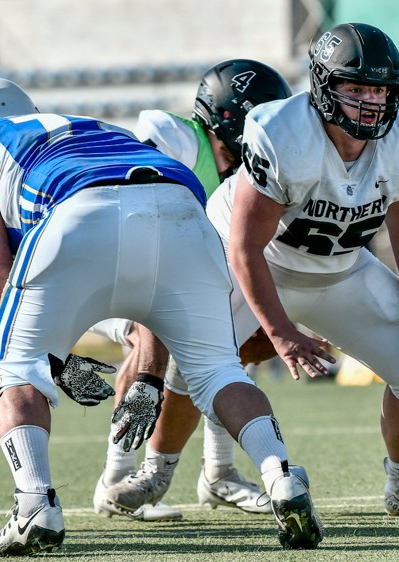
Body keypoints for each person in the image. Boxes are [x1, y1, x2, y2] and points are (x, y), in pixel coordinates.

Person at [0, 78, 322, 555]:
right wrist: (147, 375)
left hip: (79, 211)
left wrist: (54, 364)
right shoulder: (93, 128)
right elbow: (145, 240)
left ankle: (34, 506)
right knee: (219, 370)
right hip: (181, 209)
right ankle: (281, 477)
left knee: (16, 367)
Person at [220, 22, 399, 517]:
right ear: (323, 85)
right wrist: (281, 331)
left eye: (379, 89)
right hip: (259, 262)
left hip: (342, 268)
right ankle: (153, 471)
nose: (370, 101)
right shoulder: (285, 133)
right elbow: (245, 247)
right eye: (355, 87)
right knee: (192, 368)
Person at [92, 59, 292, 522]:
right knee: (148, 341)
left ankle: (219, 474)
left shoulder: (248, 172)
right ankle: (115, 480)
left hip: (178, 277)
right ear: (230, 115)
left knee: (234, 342)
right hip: (117, 268)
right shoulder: (179, 140)